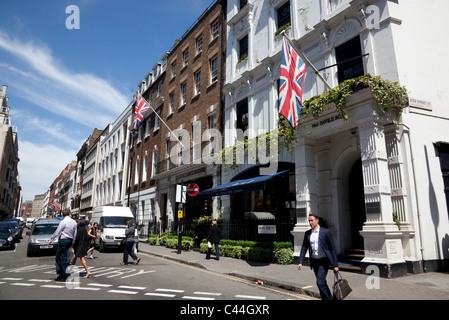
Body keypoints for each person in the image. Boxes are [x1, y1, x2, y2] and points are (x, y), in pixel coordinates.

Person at [297, 213, 339, 300]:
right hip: (314, 262)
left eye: (312, 220)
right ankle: (327, 298)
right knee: (322, 282)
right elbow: (304, 248)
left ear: (317, 220)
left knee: (319, 282)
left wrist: (335, 264)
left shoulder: (325, 232)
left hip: (324, 261)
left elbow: (332, 249)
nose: (310, 222)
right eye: (309, 221)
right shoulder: (308, 233)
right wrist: (300, 262)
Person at [49, 208, 77, 281]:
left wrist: (51, 239)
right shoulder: (74, 222)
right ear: (69, 213)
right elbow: (75, 233)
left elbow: (57, 231)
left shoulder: (63, 222)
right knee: (60, 257)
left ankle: (66, 275)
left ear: (63, 215)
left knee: (62, 258)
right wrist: (73, 242)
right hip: (70, 240)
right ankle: (61, 273)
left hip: (64, 240)